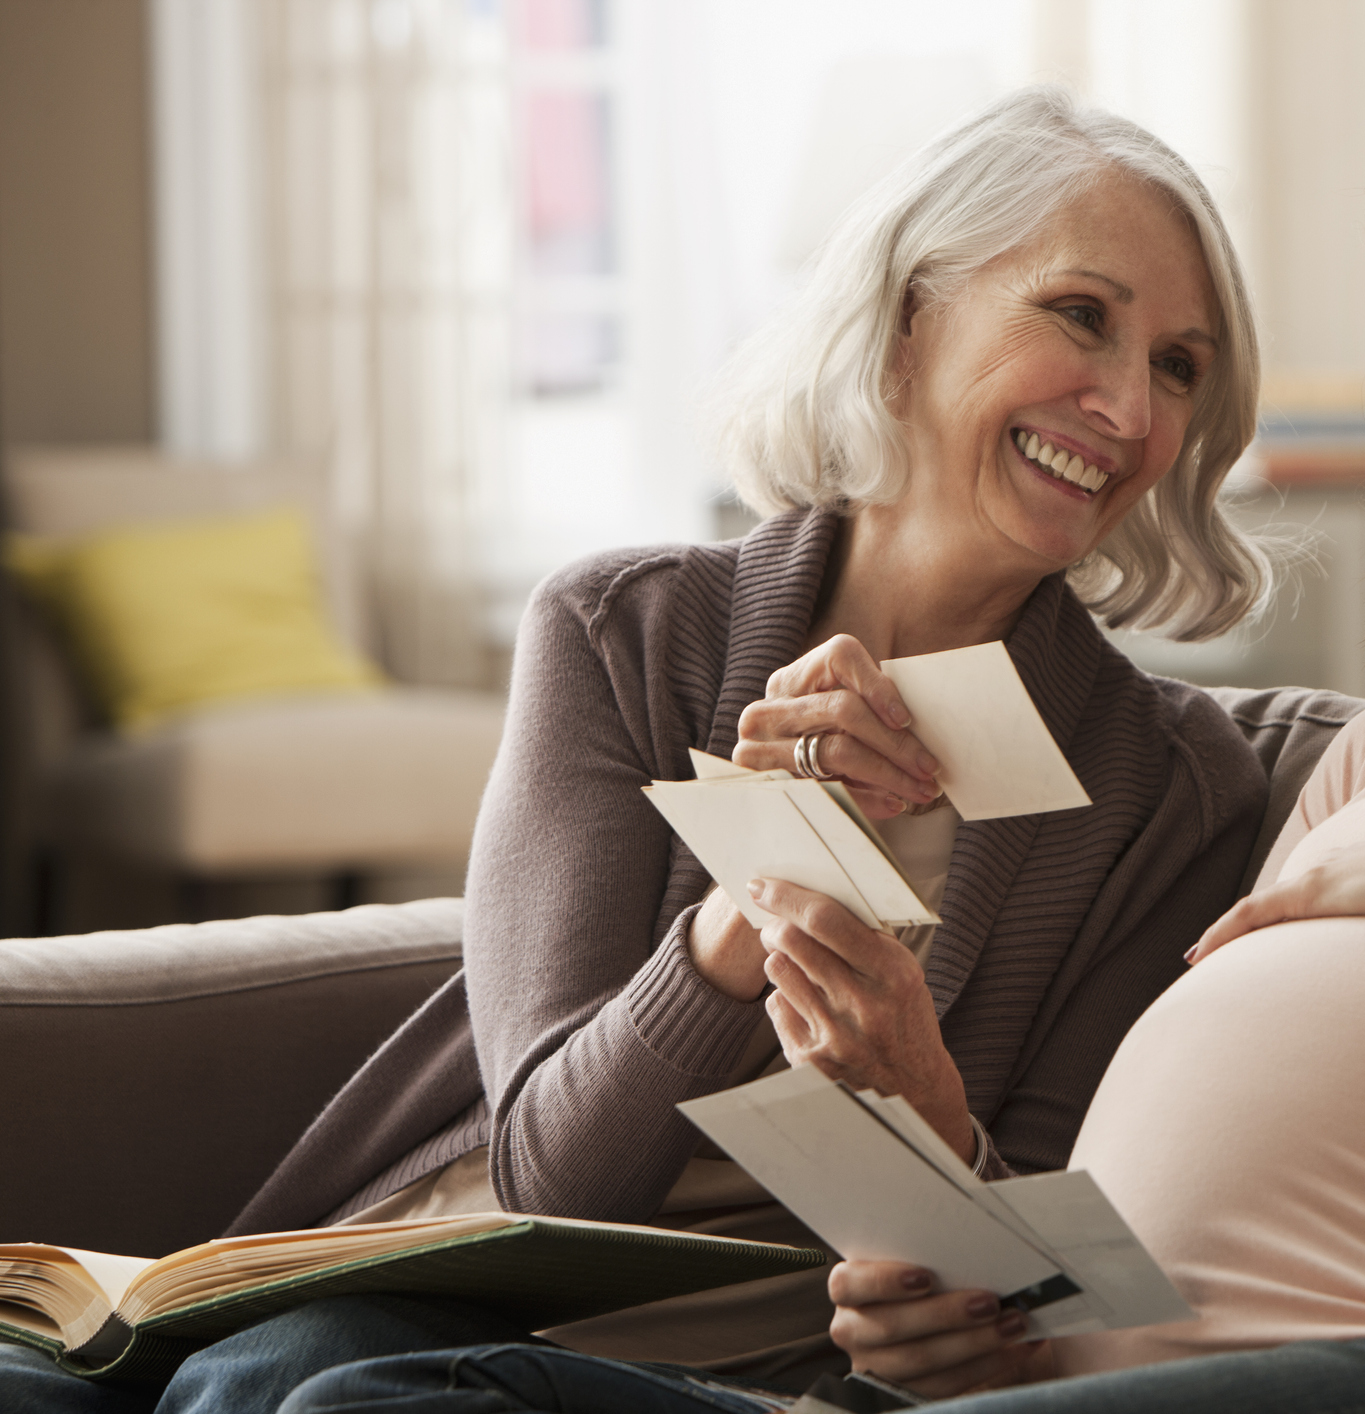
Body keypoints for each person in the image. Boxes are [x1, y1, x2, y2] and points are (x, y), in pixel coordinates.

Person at [284, 94, 1365, 1414]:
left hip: (1364, 1358)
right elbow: (1083, 1234)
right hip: (1066, 1370)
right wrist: (951, 1282)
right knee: (355, 1393)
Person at [0, 87, 1284, 1414]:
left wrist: (930, 1138)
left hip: (704, 1381)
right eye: (1081, 315)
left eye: (1178, 367)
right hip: (400, 1282)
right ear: (909, 315)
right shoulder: (626, 631)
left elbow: (1039, 1286)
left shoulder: (1174, 789)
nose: (1130, 409)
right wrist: (737, 923)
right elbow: (553, 1173)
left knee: (315, 1393)